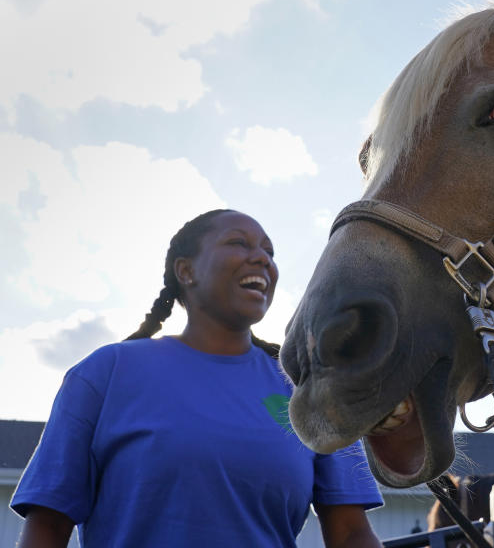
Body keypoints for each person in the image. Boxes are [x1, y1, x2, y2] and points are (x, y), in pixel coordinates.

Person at [11, 209, 384, 548]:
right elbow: (47, 526)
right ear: (185, 271)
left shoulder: (309, 392)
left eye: (270, 252)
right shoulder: (104, 374)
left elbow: (351, 533)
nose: (262, 259)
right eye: (239, 243)